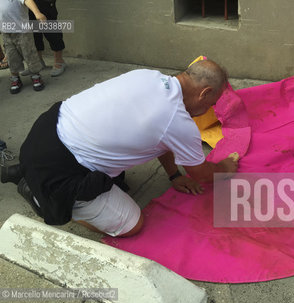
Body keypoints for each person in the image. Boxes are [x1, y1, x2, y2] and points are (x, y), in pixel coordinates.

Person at [1, 60, 238, 237]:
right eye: (212, 103)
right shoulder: (179, 122)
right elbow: (203, 174)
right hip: (62, 172)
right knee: (132, 224)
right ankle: (42, 198)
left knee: (119, 181)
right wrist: (227, 166)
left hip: (43, 133)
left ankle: (25, 171)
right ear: (204, 93)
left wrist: (174, 174)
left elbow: (163, 138)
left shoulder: (149, 76)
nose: (211, 109)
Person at [0, 0, 46, 94]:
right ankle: (15, 77)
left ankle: (35, 75)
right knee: (12, 56)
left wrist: (37, 12)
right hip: (6, 33)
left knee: (29, 54)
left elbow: (28, 0)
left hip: (23, 32)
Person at [21, 0, 66, 77]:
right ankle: (38, 62)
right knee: (34, 33)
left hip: (45, 3)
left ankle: (59, 61)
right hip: (29, 4)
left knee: (51, 30)